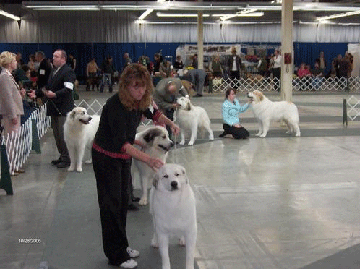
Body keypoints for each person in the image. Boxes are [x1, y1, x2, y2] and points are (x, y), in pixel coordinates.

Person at [92, 63, 179, 268]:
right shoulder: (116, 106)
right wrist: (148, 159)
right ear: (126, 86)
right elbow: (123, 144)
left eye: (143, 87)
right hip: (106, 158)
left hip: (121, 159)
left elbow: (155, 115)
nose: (140, 91)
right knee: (110, 206)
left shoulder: (142, 100)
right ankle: (116, 255)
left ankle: (122, 246)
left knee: (123, 202)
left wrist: (171, 123)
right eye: (135, 87)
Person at [28, 49, 76, 168]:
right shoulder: (54, 71)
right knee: (56, 134)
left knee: (62, 134)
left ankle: (67, 158)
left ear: (63, 59)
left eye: (56, 56)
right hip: (53, 108)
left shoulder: (68, 71)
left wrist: (55, 95)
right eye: (53, 56)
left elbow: (68, 89)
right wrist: (37, 93)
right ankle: (62, 155)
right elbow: (48, 87)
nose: (53, 58)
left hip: (63, 109)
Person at [0, 51, 25, 175]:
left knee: (15, 141)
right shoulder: (4, 76)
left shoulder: (9, 75)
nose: (16, 63)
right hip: (11, 113)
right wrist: (12, 115)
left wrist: (20, 94)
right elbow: (7, 98)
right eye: (15, 61)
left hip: (15, 111)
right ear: (10, 63)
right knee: (10, 141)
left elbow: (12, 95)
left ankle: (14, 165)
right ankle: (10, 167)